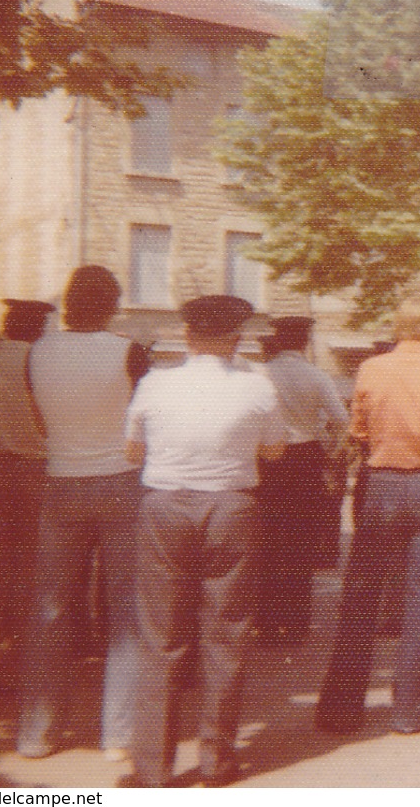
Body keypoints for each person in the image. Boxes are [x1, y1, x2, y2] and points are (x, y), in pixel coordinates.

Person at [124, 295, 286, 787]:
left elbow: (133, 450)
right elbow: (275, 450)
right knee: (227, 633)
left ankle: (153, 767)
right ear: (237, 338)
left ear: (188, 336)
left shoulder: (154, 382)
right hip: (232, 507)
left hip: (165, 506)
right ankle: (218, 760)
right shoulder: (258, 387)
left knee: (161, 635)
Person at [315, 292, 420, 736]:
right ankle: (410, 713)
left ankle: (340, 710)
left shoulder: (371, 369)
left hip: (381, 486)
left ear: (398, 327)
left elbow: (359, 429)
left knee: (361, 596)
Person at [17, 268, 149, 761]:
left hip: (62, 482)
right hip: (120, 482)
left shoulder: (39, 350)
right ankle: (118, 734)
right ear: (113, 304)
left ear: (69, 302)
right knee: (126, 613)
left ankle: (38, 731)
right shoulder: (129, 351)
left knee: (51, 609)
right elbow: (142, 420)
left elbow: (39, 421)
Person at [0, 299, 55, 687]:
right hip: (36, 474)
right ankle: (24, 662)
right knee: (30, 570)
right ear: (38, 327)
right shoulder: (39, 363)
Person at [257, 315, 348, 644]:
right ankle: (295, 625)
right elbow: (341, 419)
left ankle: (266, 624)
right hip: (306, 460)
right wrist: (330, 451)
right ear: (305, 342)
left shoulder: (261, 374)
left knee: (267, 543)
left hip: (268, 460)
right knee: (300, 545)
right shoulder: (317, 376)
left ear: (278, 341)